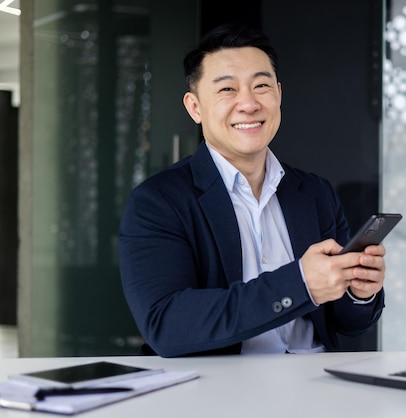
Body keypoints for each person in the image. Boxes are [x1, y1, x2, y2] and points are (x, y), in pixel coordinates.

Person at [119, 24, 387, 357]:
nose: (248, 103)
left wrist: (359, 292)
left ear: (279, 95)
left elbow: (346, 323)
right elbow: (168, 325)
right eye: (227, 90)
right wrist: (299, 283)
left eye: (261, 86)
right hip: (219, 396)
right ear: (195, 108)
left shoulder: (315, 192)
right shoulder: (158, 202)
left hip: (317, 386)